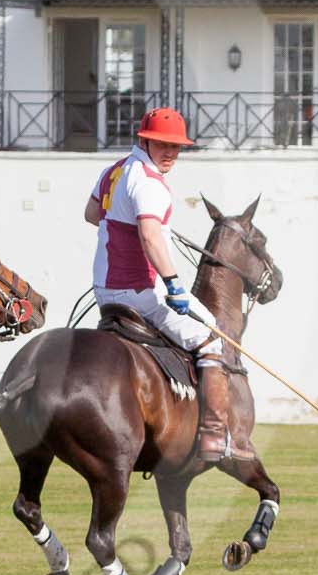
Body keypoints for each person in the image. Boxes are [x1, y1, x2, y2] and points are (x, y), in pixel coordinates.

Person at [84, 108, 235, 459]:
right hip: (142, 291)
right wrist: (175, 285)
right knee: (212, 337)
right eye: (162, 144)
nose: (170, 153)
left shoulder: (115, 170)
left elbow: (93, 215)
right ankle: (214, 436)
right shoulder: (150, 183)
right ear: (144, 140)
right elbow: (151, 239)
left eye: (176, 147)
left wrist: (129, 226)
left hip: (105, 289)